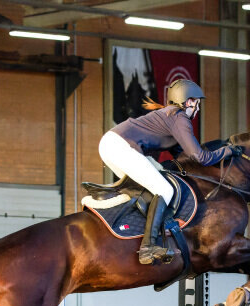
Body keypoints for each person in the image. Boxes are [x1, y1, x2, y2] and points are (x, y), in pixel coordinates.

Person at [98, 79, 241, 264]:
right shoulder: (179, 117)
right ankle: (148, 248)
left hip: (112, 144)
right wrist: (227, 151)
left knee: (152, 185)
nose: (198, 109)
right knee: (165, 190)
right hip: (119, 146)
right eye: (197, 103)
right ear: (188, 101)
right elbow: (200, 157)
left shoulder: (172, 116)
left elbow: (184, 158)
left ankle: (136, 230)